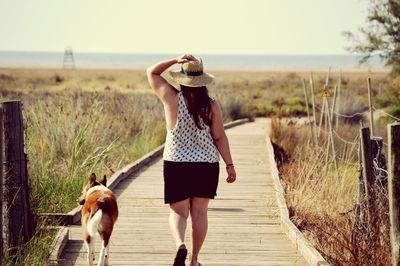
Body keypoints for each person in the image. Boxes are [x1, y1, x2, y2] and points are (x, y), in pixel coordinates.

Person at [146, 54, 236, 266]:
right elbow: (220, 137)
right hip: (206, 165)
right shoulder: (212, 105)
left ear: (182, 78)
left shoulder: (170, 97)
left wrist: (175, 60)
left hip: (176, 162)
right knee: (200, 214)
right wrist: (229, 165)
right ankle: (194, 260)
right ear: (202, 80)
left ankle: (180, 245)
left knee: (178, 212)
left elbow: (151, 72)